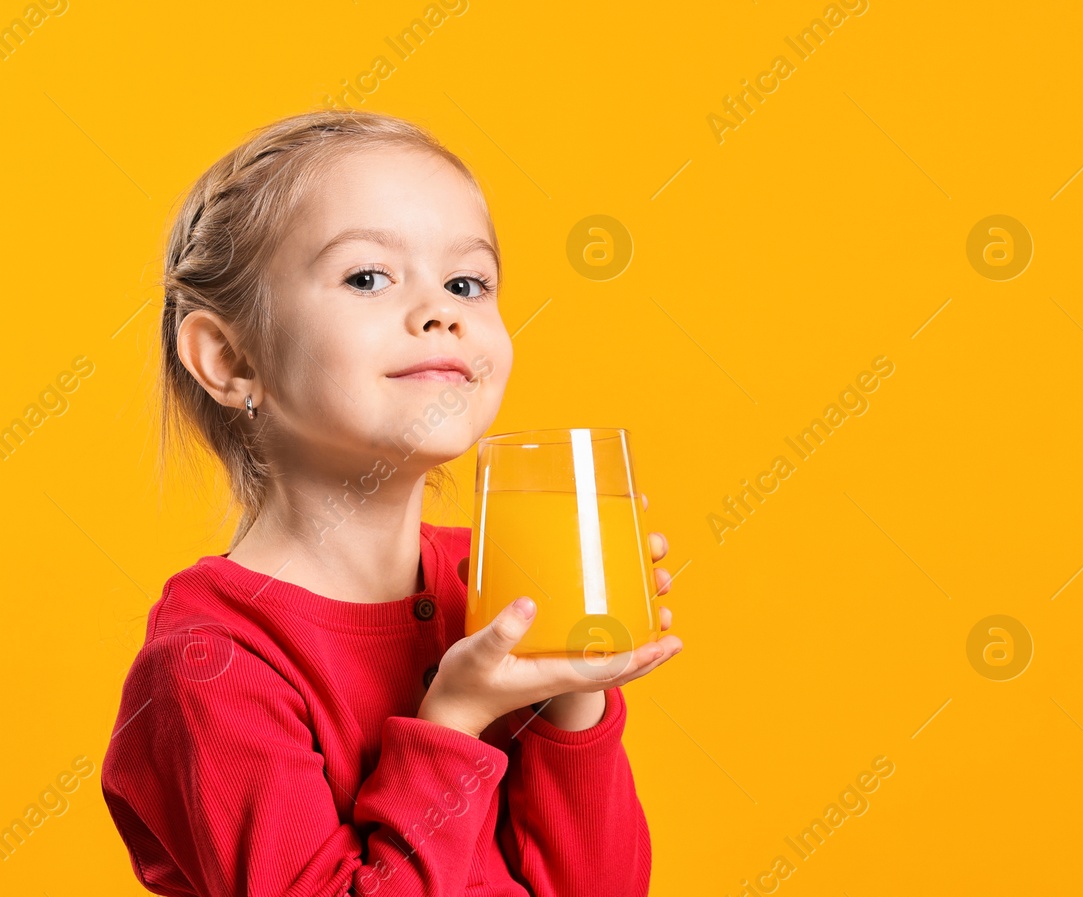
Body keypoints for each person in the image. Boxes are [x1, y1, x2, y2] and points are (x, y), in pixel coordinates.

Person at [100, 109, 682, 896]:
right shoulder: (212, 665)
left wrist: (570, 691)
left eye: (466, 282)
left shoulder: (489, 594)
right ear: (229, 359)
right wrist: (453, 720)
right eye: (367, 276)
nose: (441, 310)